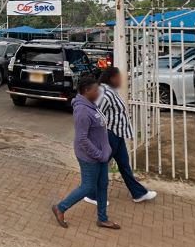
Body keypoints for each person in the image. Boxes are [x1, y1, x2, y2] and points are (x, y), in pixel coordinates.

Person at [52, 77, 120, 230]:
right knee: (88, 187)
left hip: (101, 156)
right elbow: (82, 139)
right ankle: (60, 208)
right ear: (86, 91)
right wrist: (99, 154)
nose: (98, 93)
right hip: (90, 157)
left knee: (102, 184)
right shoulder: (82, 111)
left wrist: (105, 151)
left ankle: (102, 218)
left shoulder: (91, 105)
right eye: (95, 90)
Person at [85, 66, 157, 206]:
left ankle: (138, 193)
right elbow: (95, 112)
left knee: (124, 165)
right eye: (119, 77)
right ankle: (91, 195)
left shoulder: (111, 91)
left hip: (118, 135)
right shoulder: (105, 93)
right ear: (112, 78)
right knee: (102, 165)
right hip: (110, 134)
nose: (121, 80)